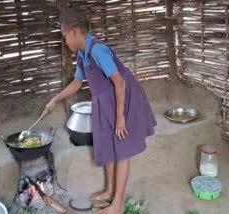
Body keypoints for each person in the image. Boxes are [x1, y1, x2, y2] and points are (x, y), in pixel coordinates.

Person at [44, 8, 157, 214]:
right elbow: (78, 83)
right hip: (104, 102)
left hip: (123, 99)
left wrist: (121, 117)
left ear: (75, 32)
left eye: (65, 37)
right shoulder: (81, 54)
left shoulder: (97, 50)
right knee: (107, 144)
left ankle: (118, 205)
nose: (65, 42)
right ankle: (110, 190)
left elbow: (119, 82)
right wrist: (55, 99)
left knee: (122, 150)